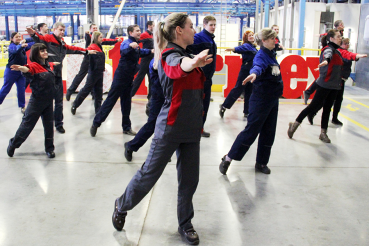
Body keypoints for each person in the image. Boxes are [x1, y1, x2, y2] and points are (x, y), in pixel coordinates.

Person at [111, 13, 211, 245]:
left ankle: (185, 223)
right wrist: (193, 63)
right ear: (178, 30)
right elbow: (179, 68)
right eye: (190, 26)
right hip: (170, 127)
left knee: (189, 180)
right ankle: (121, 204)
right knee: (148, 175)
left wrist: (195, 61)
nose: (194, 30)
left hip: (191, 129)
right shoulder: (169, 56)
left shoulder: (185, 54)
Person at [219, 28, 283, 176]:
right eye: (273, 38)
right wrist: (254, 73)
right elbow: (258, 66)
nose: (275, 40)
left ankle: (261, 162)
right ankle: (228, 158)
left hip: (273, 100)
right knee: (251, 131)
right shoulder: (261, 56)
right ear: (265, 41)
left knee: (269, 132)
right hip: (261, 100)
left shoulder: (271, 54)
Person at [26, 22, 96, 134]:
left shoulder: (62, 43)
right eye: (60, 30)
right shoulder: (48, 39)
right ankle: (27, 121)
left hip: (57, 76)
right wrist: (33, 34)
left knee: (59, 102)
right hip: (45, 78)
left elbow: (71, 48)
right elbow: (39, 39)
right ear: (54, 29)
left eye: (63, 30)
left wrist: (86, 51)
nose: (62, 32)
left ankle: (59, 124)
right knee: (40, 102)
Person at [90, 25, 152, 137]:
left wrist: (151, 51)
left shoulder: (136, 45)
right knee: (110, 101)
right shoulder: (127, 42)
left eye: (140, 30)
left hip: (129, 78)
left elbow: (140, 52)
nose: (139, 32)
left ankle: (126, 127)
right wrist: (130, 47)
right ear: (130, 32)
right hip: (121, 77)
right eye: (137, 31)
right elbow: (123, 51)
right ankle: (96, 123)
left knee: (126, 103)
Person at [288, 29, 344, 143]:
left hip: (334, 86)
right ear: (331, 38)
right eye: (338, 36)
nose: (340, 38)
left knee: (327, 109)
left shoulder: (338, 51)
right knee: (312, 107)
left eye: (340, 36)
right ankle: (295, 124)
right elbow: (328, 55)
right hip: (325, 84)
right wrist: (327, 60)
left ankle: (323, 133)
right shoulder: (328, 49)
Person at [7, 43, 59, 158]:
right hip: (36, 102)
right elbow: (28, 69)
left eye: (45, 50)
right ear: (36, 54)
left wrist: (54, 63)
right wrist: (22, 68)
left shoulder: (47, 65)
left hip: (48, 101)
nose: (45, 52)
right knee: (27, 126)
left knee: (49, 126)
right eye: (42, 51)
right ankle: (13, 144)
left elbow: (49, 65)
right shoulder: (34, 66)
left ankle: (49, 149)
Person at [307, 38, 367, 126]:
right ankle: (311, 113)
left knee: (337, 100)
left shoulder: (341, 51)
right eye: (346, 44)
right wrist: (357, 55)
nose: (348, 45)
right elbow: (348, 55)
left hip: (340, 80)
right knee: (326, 100)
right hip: (335, 80)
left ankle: (333, 118)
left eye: (348, 43)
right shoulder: (338, 51)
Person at [124, 58, 165, 161]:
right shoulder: (157, 60)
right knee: (152, 125)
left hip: (170, 97)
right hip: (158, 98)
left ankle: (163, 150)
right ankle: (131, 146)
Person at [66, 23, 119, 101]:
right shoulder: (89, 37)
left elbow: (106, 41)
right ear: (90, 29)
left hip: (95, 62)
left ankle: (94, 95)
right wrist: (86, 34)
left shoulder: (98, 39)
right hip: (88, 59)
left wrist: (116, 40)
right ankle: (70, 91)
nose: (95, 29)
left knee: (94, 78)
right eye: (93, 28)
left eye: (96, 28)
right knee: (81, 76)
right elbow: (88, 38)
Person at [303, 20, 345, 104]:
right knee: (323, 78)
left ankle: (309, 92)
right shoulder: (333, 35)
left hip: (336, 56)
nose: (340, 39)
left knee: (323, 78)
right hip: (331, 57)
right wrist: (326, 59)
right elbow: (327, 41)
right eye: (341, 24)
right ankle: (309, 92)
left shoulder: (341, 34)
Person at [188, 16, 217, 138]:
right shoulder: (199, 37)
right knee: (200, 104)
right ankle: (195, 129)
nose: (213, 27)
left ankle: (199, 128)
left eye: (215, 25)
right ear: (204, 25)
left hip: (207, 77)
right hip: (201, 77)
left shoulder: (210, 38)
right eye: (211, 25)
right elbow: (188, 50)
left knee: (205, 104)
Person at [219, 30, 258, 119]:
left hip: (252, 71)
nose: (251, 36)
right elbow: (240, 49)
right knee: (238, 89)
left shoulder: (254, 47)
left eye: (252, 35)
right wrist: (233, 49)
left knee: (249, 91)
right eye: (249, 36)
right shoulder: (246, 46)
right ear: (246, 38)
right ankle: (224, 106)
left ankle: (247, 112)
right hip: (245, 71)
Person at [71, 32, 105, 115]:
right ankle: (75, 105)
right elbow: (87, 59)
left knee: (98, 92)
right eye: (100, 37)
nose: (102, 39)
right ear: (96, 38)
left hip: (100, 72)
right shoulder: (91, 47)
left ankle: (98, 109)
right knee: (86, 90)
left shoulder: (99, 46)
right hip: (93, 73)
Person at [0, 32, 34, 114]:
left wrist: (34, 38)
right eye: (16, 37)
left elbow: (32, 42)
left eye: (19, 37)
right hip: (11, 72)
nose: (18, 38)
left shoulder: (22, 47)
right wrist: (21, 45)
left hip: (20, 72)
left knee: (21, 89)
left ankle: (22, 106)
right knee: (6, 89)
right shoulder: (12, 46)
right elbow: (15, 50)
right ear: (12, 39)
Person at [130, 21, 155, 100]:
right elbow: (134, 42)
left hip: (152, 60)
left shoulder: (152, 35)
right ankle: (130, 94)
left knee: (152, 79)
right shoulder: (144, 35)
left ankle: (150, 97)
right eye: (153, 25)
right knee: (139, 78)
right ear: (149, 26)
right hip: (145, 60)